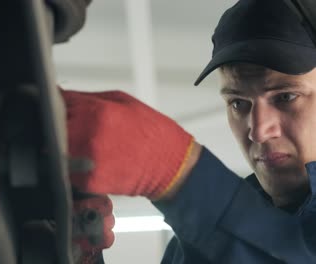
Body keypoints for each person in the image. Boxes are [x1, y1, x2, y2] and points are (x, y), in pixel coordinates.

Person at [62, 0, 316, 263]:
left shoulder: (210, 227)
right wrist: (83, 255)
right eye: (238, 103)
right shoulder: (194, 245)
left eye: (286, 97)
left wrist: (175, 171)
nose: (259, 131)